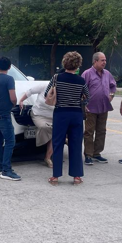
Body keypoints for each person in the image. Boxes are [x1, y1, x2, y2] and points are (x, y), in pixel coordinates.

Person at [46, 52, 90, 186]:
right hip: (76, 114)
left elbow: (47, 93)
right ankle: (76, 176)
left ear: (64, 62)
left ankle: (56, 176)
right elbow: (87, 97)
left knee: (58, 143)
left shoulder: (56, 78)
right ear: (78, 65)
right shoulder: (81, 80)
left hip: (61, 113)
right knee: (76, 144)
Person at [81, 52, 117, 165]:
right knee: (89, 132)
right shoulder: (87, 74)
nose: (104, 62)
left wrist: (111, 95)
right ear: (95, 61)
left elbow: (113, 85)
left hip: (103, 107)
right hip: (90, 108)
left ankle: (97, 153)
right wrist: (83, 104)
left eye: (105, 60)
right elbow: (81, 89)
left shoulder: (107, 74)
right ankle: (88, 155)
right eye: (102, 60)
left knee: (101, 131)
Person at [0, 57, 20, 181]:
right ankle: (6, 171)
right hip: (4, 114)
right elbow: (12, 97)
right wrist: (14, 103)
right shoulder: (9, 79)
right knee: (10, 141)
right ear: (9, 67)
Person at [18, 83, 54, 167]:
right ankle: (41, 145)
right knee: (44, 127)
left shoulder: (64, 90)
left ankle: (47, 157)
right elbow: (29, 92)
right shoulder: (44, 86)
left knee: (55, 132)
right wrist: (21, 100)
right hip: (39, 114)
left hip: (54, 116)